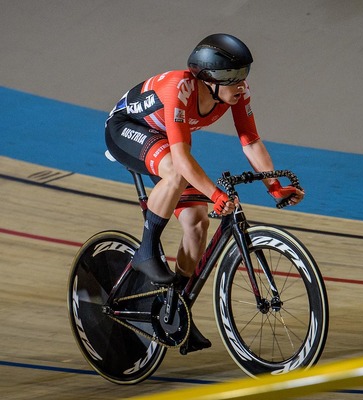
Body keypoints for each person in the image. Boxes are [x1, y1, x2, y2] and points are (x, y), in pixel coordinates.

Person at [105, 33, 304, 353]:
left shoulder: (237, 93)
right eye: (230, 77)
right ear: (206, 80)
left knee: (198, 225)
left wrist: (274, 186)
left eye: (243, 75)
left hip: (166, 139)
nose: (240, 84)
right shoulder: (179, 90)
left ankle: (176, 308)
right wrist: (216, 194)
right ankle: (146, 250)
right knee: (174, 173)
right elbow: (182, 160)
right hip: (127, 129)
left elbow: (250, 140)